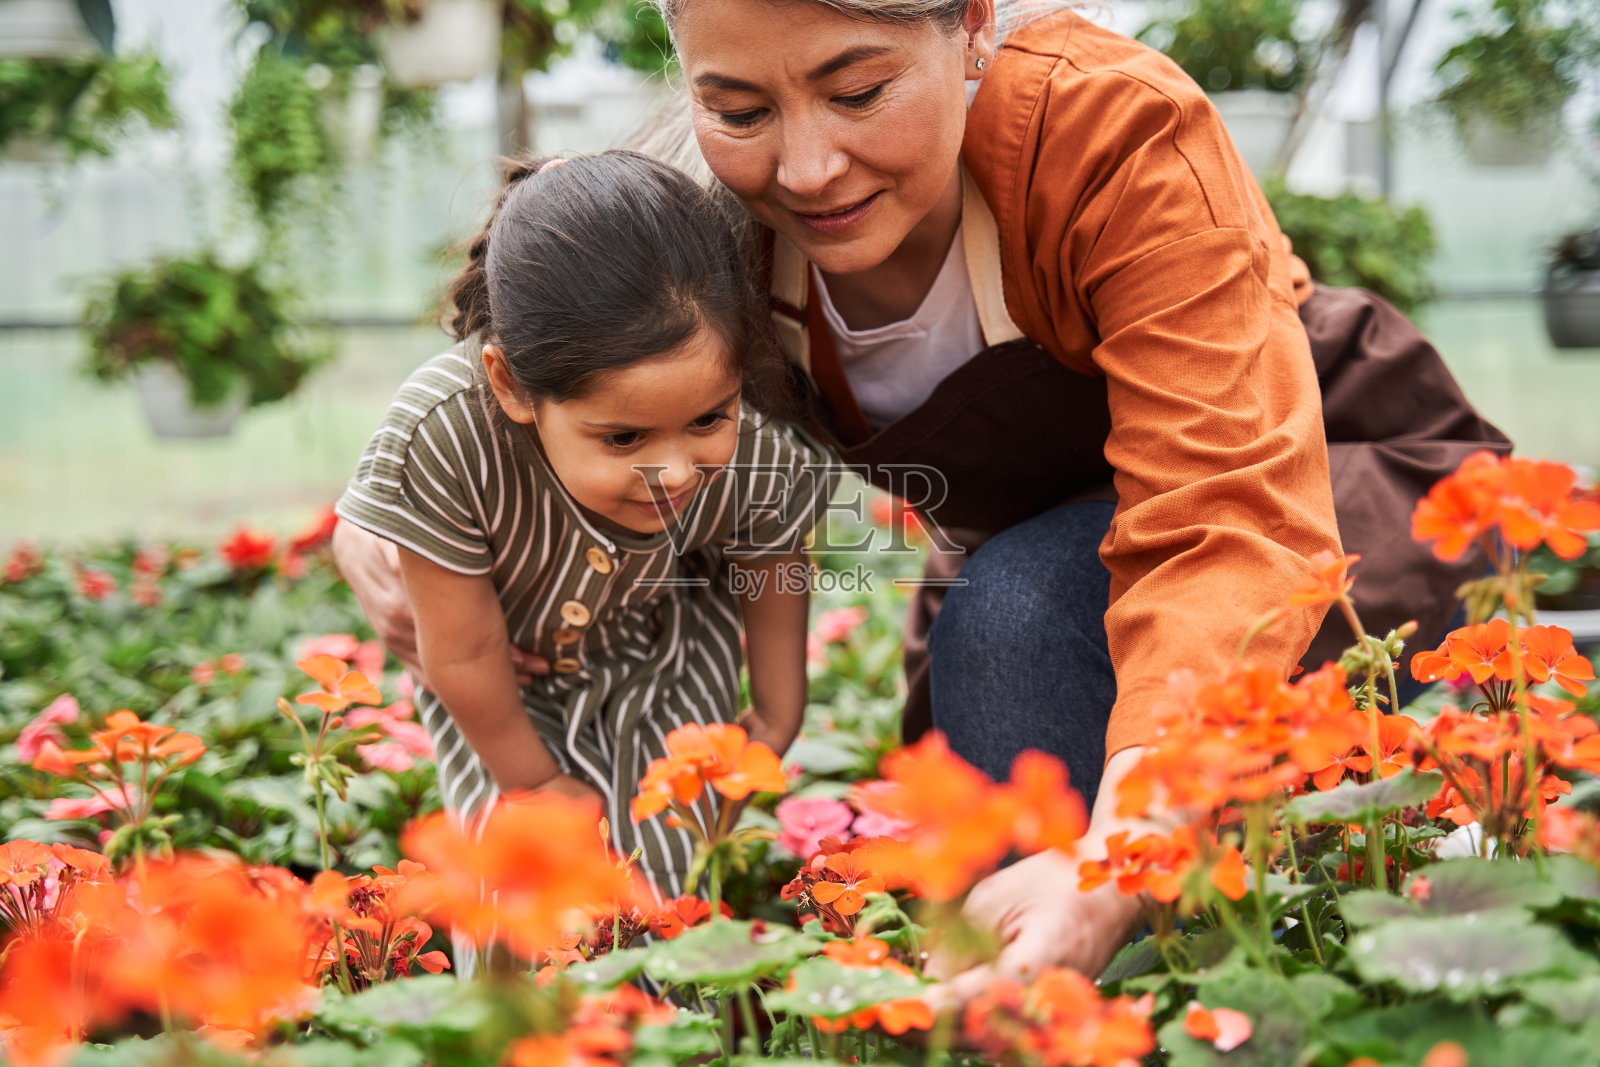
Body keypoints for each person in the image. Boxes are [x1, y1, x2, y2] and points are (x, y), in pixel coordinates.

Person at [336, 0, 1509, 992]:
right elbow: (535, 340)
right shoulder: (700, 209)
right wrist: (383, 524)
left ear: (973, 23)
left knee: (1011, 636)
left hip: (1310, 492)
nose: (803, 168)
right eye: (739, 108)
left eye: (858, 91)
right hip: (1026, 566)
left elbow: (1225, 513)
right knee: (994, 735)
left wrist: (1123, 854)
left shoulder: (1105, 129)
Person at [333, 150, 837, 922]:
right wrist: (531, 782)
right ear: (511, 385)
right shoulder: (445, 435)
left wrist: (773, 716)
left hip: (666, 655)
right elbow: (462, 653)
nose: (673, 472)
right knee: (520, 892)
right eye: (624, 437)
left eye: (708, 419)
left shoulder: (758, 448)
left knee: (670, 883)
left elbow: (774, 555)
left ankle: (685, 1033)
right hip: (504, 690)